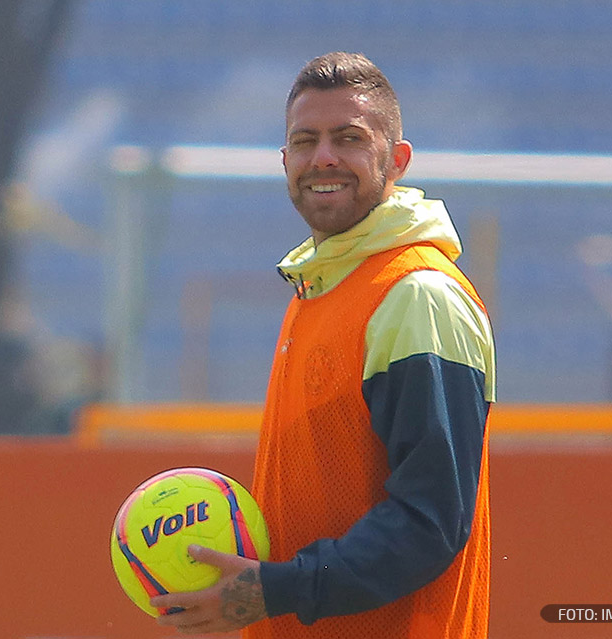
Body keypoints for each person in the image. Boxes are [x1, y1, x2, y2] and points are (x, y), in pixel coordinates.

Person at [151, 52, 495, 637]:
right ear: (285, 162)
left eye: (350, 138)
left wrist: (278, 589)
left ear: (398, 160)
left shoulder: (417, 297)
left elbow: (429, 522)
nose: (324, 157)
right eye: (305, 141)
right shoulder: (318, 285)